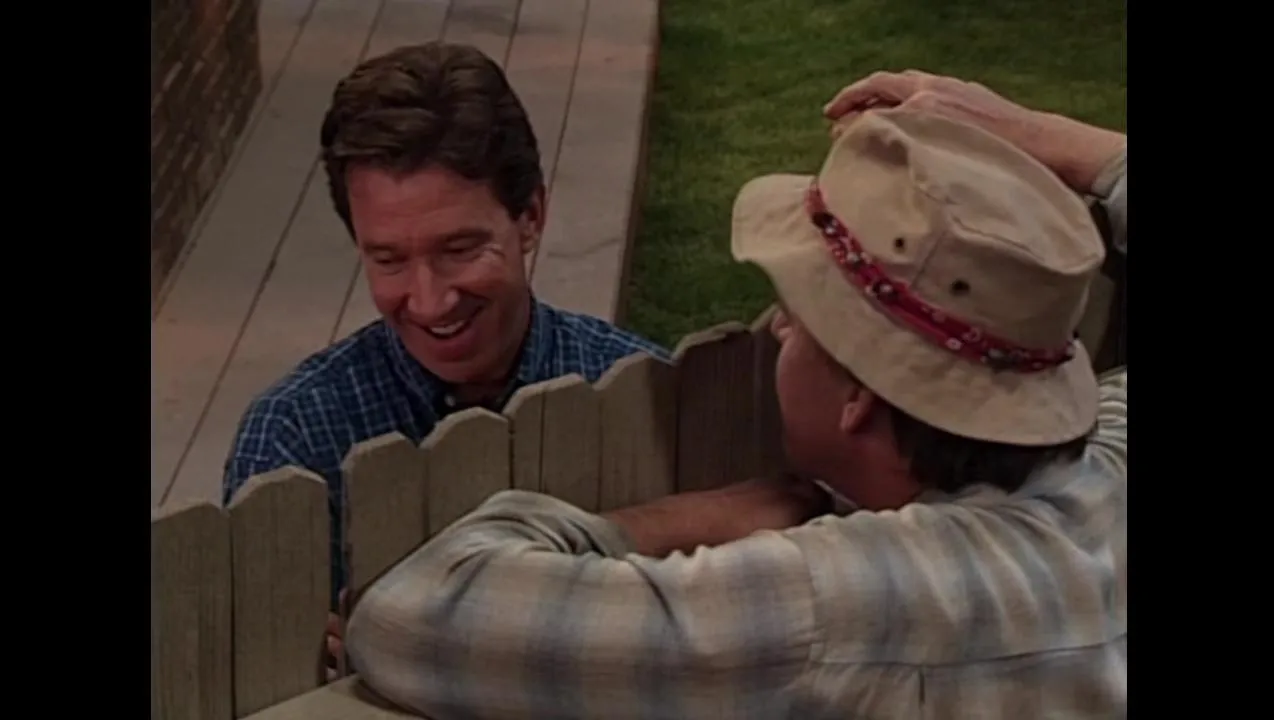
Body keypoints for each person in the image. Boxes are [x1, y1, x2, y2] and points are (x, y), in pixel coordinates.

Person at [344, 71, 1128, 719]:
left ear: (858, 393)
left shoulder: (835, 600)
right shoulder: (1110, 469)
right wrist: (1039, 137)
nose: (777, 328)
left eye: (799, 314)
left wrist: (698, 517)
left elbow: (417, 614)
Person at [220, 41, 668, 668]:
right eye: (389, 260)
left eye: (459, 249)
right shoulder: (293, 439)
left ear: (531, 216)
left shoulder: (648, 393)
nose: (429, 301)